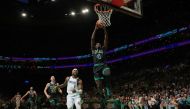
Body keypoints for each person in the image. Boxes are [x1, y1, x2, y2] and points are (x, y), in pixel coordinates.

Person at [91, 22, 112, 102]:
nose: (98, 43)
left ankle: (109, 93)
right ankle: (102, 98)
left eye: (99, 43)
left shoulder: (103, 49)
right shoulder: (93, 50)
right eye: (97, 44)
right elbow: (92, 39)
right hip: (96, 68)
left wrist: (104, 29)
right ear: (95, 46)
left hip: (103, 66)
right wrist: (95, 29)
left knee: (107, 72)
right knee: (99, 86)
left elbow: (106, 38)